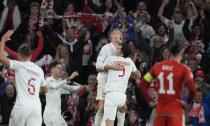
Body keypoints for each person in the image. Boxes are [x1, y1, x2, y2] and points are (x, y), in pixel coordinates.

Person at [138, 43, 197, 126]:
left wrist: (150, 102)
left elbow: (142, 85)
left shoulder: (157, 67)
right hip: (175, 112)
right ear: (181, 53)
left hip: (160, 112)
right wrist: (187, 102)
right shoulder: (185, 69)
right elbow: (193, 89)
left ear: (170, 53)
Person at [0, 30, 48, 126]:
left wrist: (2, 40)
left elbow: (1, 57)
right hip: (36, 108)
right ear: (30, 55)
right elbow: (45, 90)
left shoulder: (19, 65)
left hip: (21, 107)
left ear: (19, 55)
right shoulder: (39, 70)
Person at [101, 43, 141, 126]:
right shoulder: (129, 61)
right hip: (121, 96)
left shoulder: (110, 59)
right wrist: (133, 76)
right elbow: (138, 75)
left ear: (121, 50)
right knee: (123, 108)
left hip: (111, 94)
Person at [95, 28, 123, 126]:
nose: (121, 34)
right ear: (112, 36)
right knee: (102, 107)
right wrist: (112, 67)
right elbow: (98, 66)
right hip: (105, 80)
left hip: (117, 82)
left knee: (121, 107)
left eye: (121, 33)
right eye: (118, 33)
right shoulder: (106, 48)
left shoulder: (123, 49)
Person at [43, 60, 83, 126]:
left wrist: (81, 87)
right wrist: (70, 78)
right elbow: (55, 86)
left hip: (57, 115)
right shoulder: (48, 79)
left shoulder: (59, 81)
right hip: (51, 115)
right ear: (52, 70)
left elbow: (70, 88)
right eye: (58, 68)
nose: (60, 70)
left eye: (61, 68)